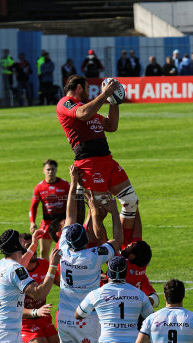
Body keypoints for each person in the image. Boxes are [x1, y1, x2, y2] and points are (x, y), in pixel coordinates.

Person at [57, 165, 123, 343]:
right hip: (87, 318)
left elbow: (69, 217)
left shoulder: (63, 250)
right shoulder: (92, 257)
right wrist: (114, 212)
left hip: (64, 317)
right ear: (84, 239)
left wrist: (74, 183)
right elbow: (117, 241)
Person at [56, 74, 139, 244]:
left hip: (107, 161)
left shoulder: (89, 107)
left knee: (130, 201)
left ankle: (122, 248)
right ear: (78, 88)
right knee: (98, 213)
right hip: (89, 164)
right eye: (87, 88)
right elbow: (83, 114)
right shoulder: (66, 103)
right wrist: (104, 94)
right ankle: (97, 255)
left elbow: (111, 126)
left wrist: (114, 101)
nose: (89, 92)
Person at [74, 256, 154, 343]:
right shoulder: (139, 294)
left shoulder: (97, 294)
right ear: (125, 273)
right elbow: (151, 320)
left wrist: (100, 308)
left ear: (108, 274)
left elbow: (78, 314)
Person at [20, 233, 64, 343]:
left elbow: (61, 283)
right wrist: (35, 312)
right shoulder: (18, 271)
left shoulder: (45, 264)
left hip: (44, 319)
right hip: (26, 323)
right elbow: (13, 308)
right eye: (24, 248)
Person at [29, 159, 70, 259]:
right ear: (43, 170)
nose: (50, 172)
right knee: (43, 252)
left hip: (62, 222)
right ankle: (46, 273)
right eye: (48, 169)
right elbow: (33, 206)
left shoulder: (65, 185)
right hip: (47, 223)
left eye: (52, 169)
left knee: (65, 249)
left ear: (56, 170)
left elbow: (73, 203)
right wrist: (32, 222)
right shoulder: (39, 187)